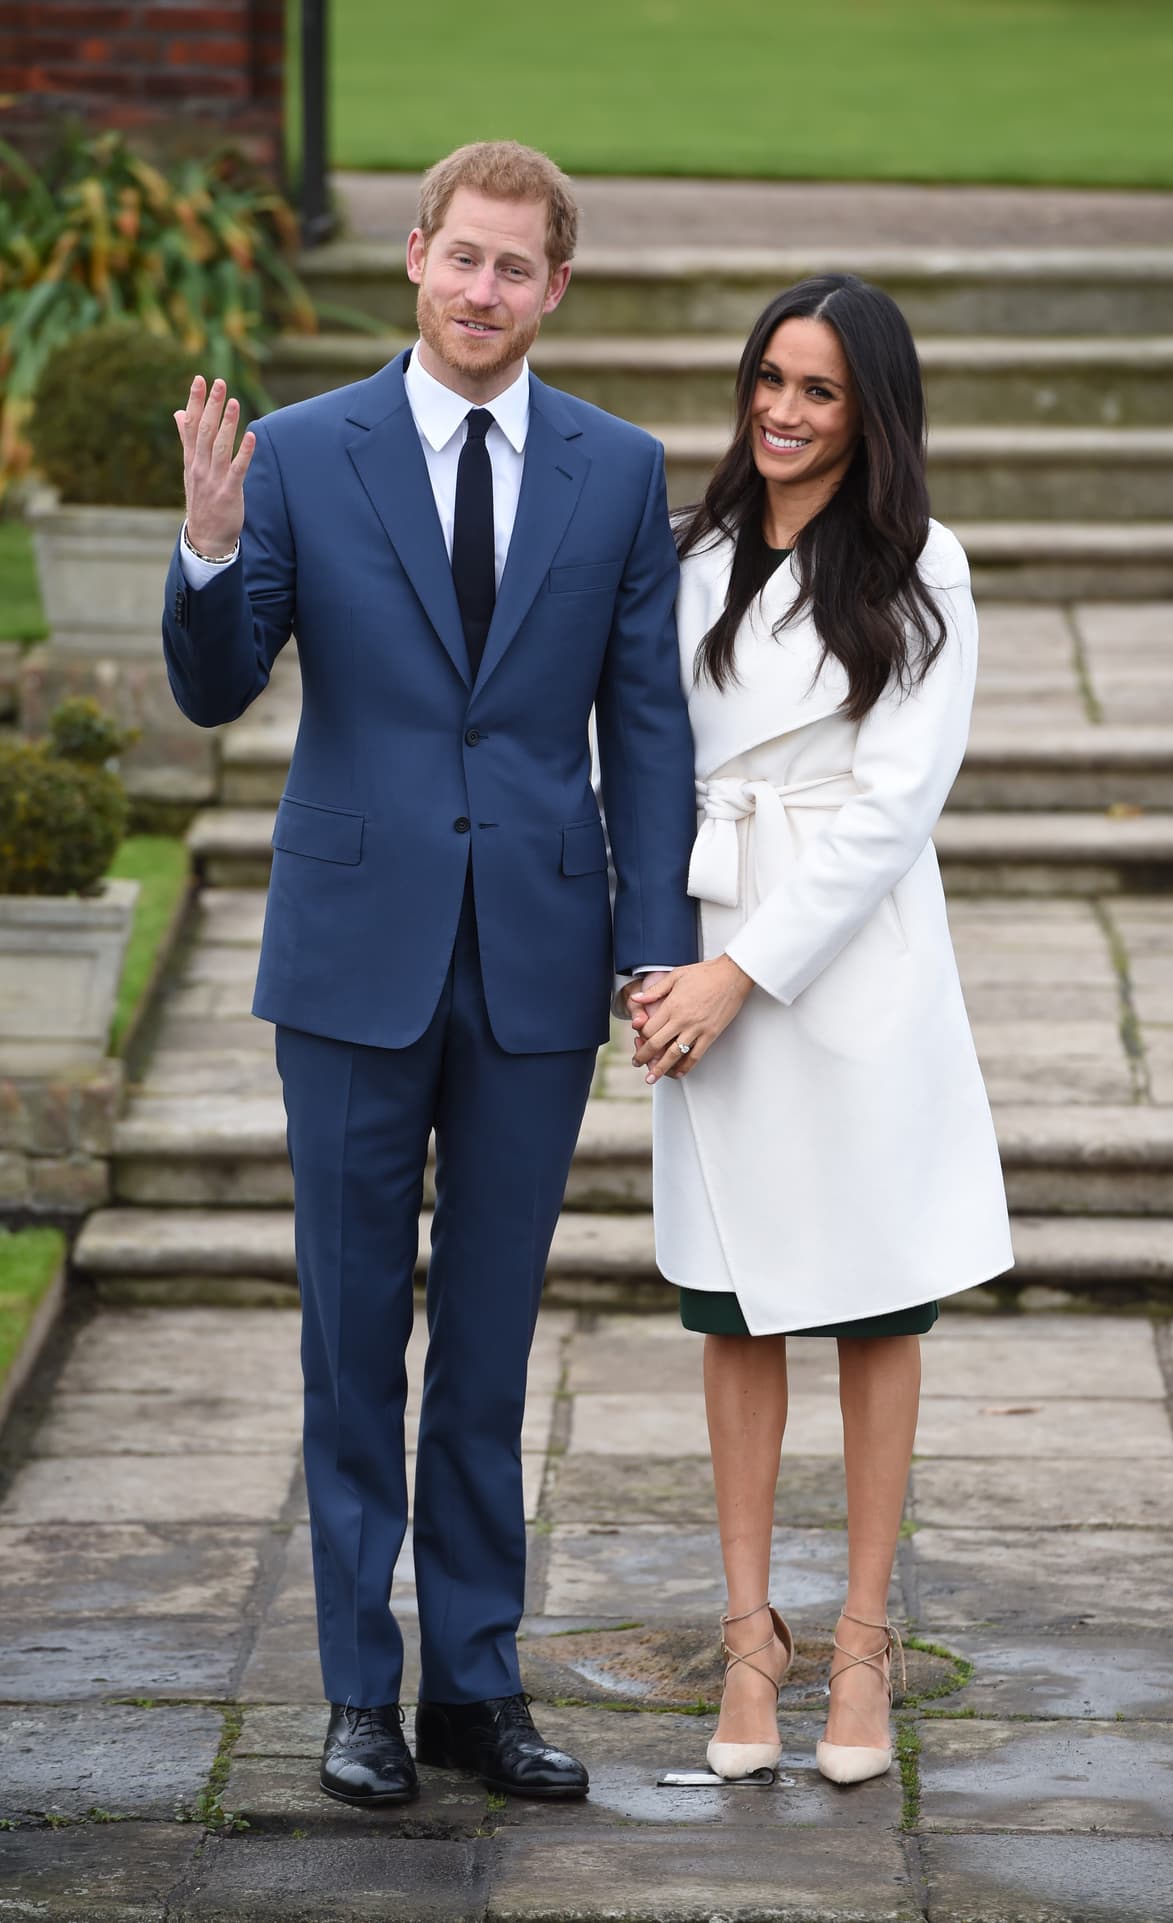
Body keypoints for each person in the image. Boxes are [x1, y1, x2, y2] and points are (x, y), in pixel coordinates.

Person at [163, 141, 697, 1807]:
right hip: (349, 964)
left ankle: (477, 1685)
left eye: (514, 268)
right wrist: (203, 542)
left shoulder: (618, 472)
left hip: (537, 961)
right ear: (414, 259)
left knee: (485, 1344)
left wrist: (658, 942)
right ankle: (355, 1695)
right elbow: (215, 687)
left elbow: (649, 730)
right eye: (459, 259)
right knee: (346, 1339)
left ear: (555, 288)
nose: (482, 291)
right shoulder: (306, 455)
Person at [629, 276, 1013, 1786]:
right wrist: (656, 965)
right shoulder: (689, 555)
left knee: (874, 1303)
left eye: (820, 391)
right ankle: (747, 1637)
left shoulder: (926, 567)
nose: (782, 412)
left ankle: (861, 1642)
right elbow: (636, 754)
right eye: (768, 380)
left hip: (848, 977)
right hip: (700, 953)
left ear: (875, 413)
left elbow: (889, 812)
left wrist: (744, 975)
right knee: (734, 1302)